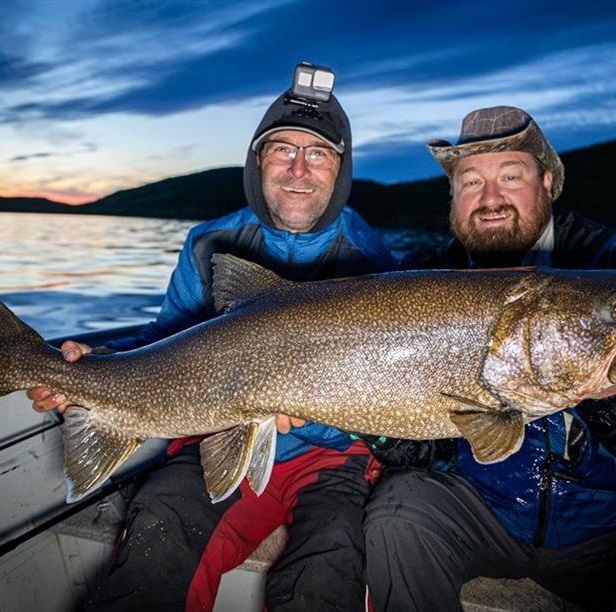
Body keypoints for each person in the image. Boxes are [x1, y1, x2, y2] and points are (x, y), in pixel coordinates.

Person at [28, 65, 396, 611]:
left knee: (332, 564)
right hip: (215, 435)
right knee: (160, 525)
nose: (298, 169)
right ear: (257, 160)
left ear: (341, 168)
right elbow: (163, 341)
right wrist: (94, 365)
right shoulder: (209, 242)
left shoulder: (375, 262)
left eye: (318, 153)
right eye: (281, 150)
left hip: (330, 457)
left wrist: (301, 404)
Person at [361, 106, 616, 611]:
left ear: (548, 181)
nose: (491, 198)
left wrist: (611, 392)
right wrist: (376, 417)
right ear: (453, 196)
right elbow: (417, 456)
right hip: (478, 510)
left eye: (510, 176)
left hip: (614, 523)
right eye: (472, 182)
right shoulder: (419, 281)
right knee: (397, 514)